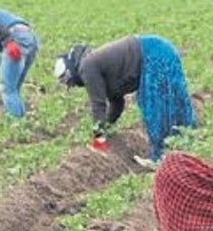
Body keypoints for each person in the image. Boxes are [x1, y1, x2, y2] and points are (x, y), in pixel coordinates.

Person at [54, 35, 196, 161]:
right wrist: (108, 127)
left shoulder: (87, 66)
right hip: (160, 49)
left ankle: (160, 157)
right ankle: (182, 149)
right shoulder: (94, 65)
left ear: (70, 72)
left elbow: (98, 105)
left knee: (154, 106)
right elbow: (117, 103)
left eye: (68, 81)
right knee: (172, 103)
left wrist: (98, 139)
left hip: (153, 54)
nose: (72, 85)